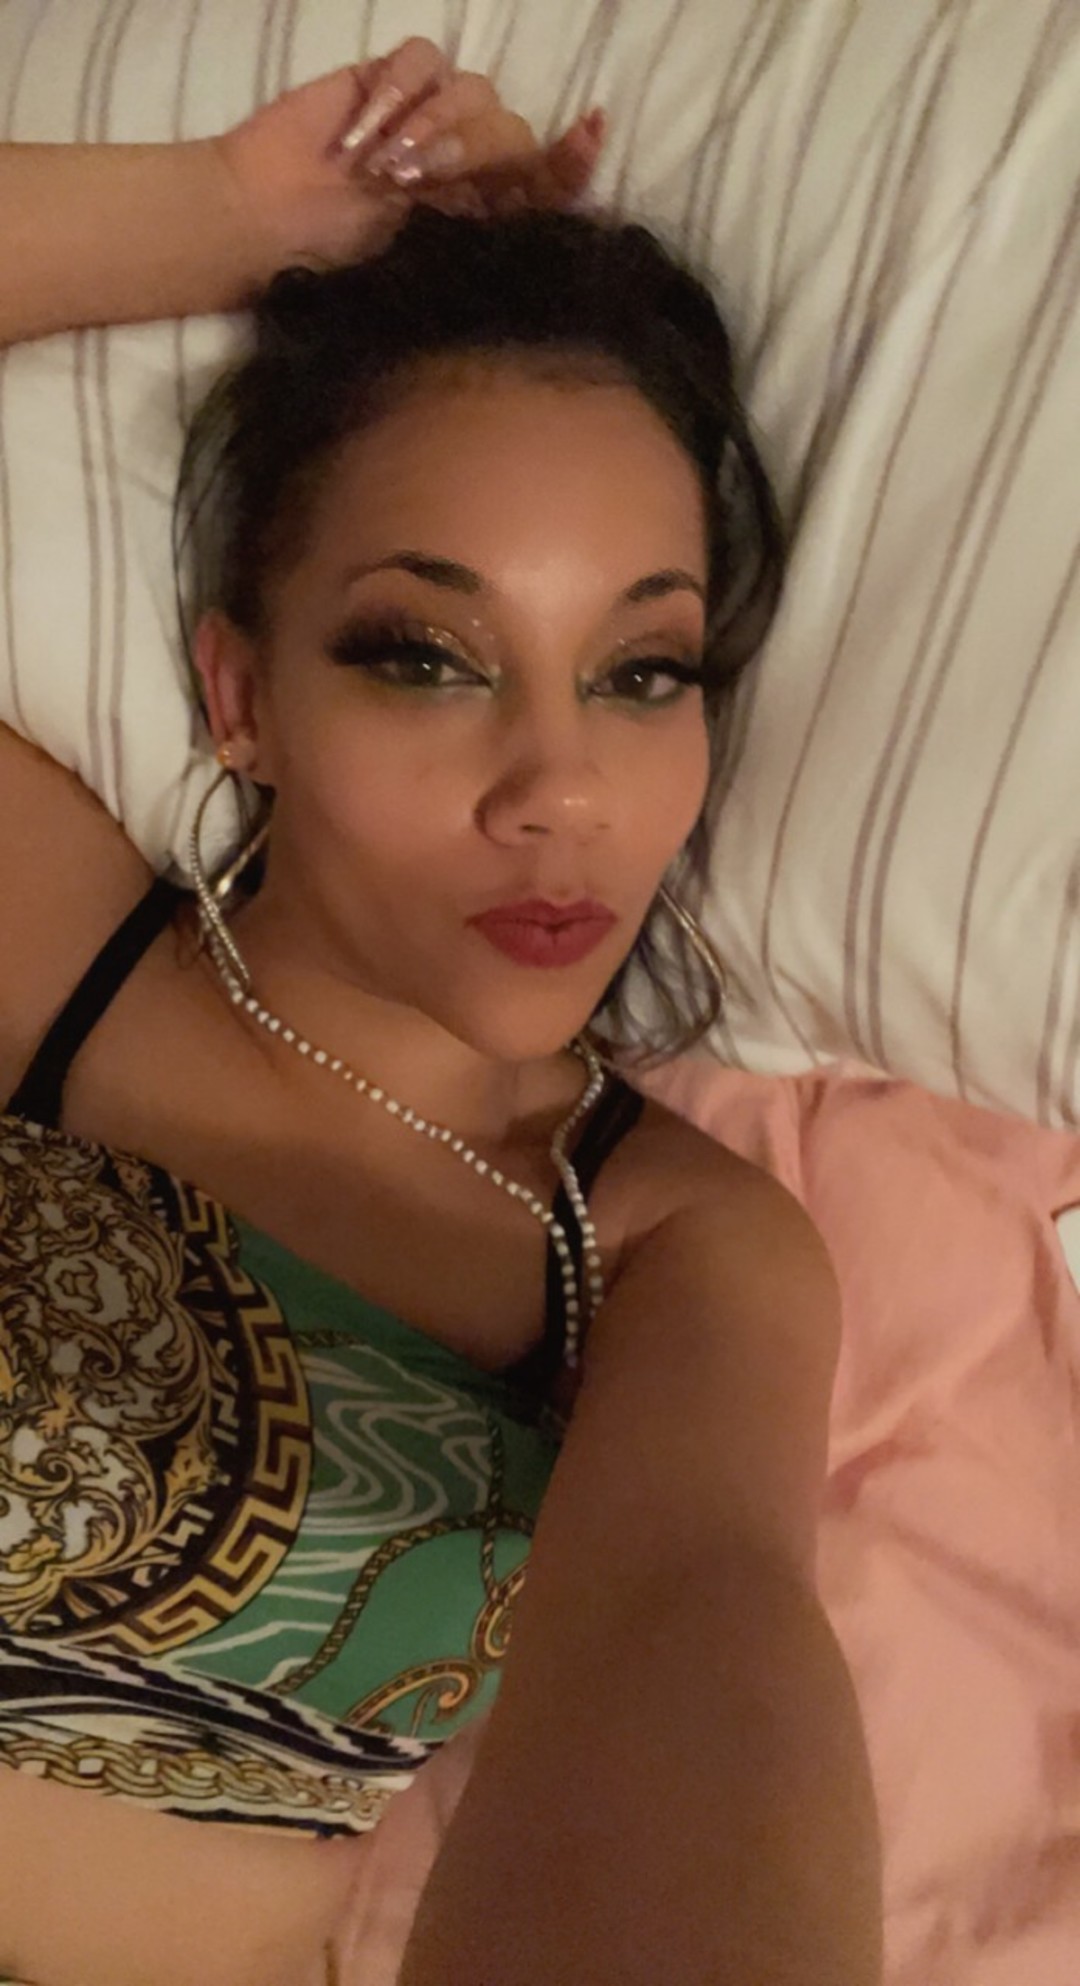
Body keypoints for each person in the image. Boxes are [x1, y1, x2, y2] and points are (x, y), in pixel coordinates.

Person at [0, 36, 883, 1986]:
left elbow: (699, 1633)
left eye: (643, 671)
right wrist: (221, 215)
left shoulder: (668, 1253)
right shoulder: (51, 936)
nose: (559, 789)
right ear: (242, 699)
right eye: (424, 654)